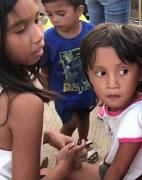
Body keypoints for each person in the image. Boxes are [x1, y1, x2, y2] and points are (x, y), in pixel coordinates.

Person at [0, 0, 86, 179]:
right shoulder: (24, 103)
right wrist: (64, 166)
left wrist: (46, 136)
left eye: (37, 19)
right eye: (20, 29)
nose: (39, 35)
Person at [67, 23, 142, 180]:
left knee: (60, 173)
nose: (112, 83)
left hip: (129, 175)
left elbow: (116, 173)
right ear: (88, 75)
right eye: (101, 73)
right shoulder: (131, 100)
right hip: (120, 167)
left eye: (123, 71)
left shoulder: (134, 120)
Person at [40, 0, 98, 163]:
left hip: (87, 90)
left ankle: (83, 143)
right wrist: (46, 91)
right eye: (49, 14)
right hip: (62, 94)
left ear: (79, 10)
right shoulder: (48, 38)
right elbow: (44, 69)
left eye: (60, 13)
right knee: (71, 122)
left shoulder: (91, 32)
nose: (54, 19)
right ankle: (65, 149)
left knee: (84, 115)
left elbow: (98, 62)